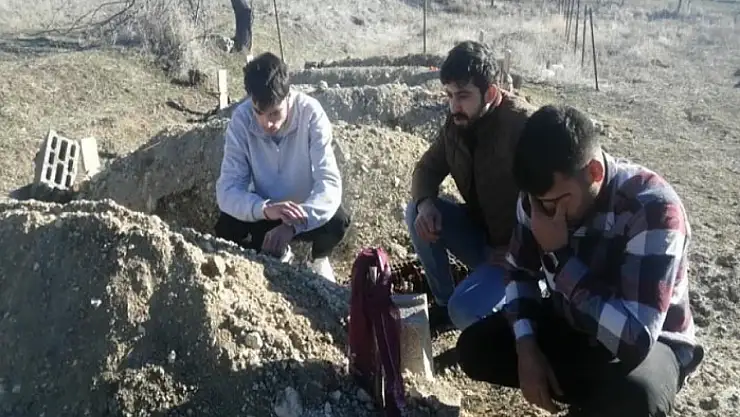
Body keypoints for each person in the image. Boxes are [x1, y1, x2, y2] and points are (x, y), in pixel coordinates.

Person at [456, 104, 705, 416]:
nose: (545, 213)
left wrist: (559, 258)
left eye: (555, 203)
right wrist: (526, 347)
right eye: (537, 203)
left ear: (594, 173)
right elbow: (520, 273)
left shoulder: (653, 210)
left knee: (639, 398)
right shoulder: (540, 197)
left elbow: (635, 339)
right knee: (476, 348)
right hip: (575, 322)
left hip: (647, 344)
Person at [405, 40, 538, 332]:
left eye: (463, 96)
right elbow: (427, 169)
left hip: (523, 257)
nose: (454, 106)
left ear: (490, 92)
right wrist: (426, 205)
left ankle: (522, 319)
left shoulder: (525, 127)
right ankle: (443, 305)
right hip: (484, 241)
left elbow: (553, 203)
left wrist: (519, 250)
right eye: (449, 95)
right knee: (415, 212)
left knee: (464, 311)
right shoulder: (457, 123)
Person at [214, 52, 350, 283]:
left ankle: (317, 259)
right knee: (226, 227)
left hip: (304, 211)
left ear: (288, 97)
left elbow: (329, 184)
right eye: (259, 113)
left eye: (275, 113)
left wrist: (293, 225)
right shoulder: (241, 120)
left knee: (338, 221)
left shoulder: (311, 114)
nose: (267, 123)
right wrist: (264, 209)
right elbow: (227, 189)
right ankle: (265, 260)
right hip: (267, 210)